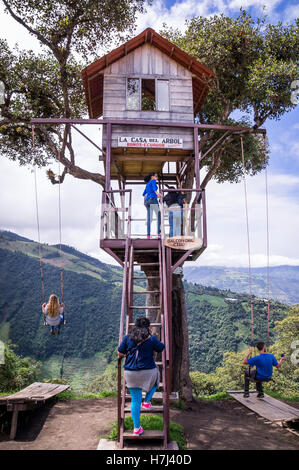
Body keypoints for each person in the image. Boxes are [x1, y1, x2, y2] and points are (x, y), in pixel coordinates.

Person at [118, 316, 165, 436]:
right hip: (148, 371)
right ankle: (147, 401)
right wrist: (152, 336)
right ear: (148, 327)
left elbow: (120, 352)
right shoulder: (151, 338)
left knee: (135, 400)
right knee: (156, 380)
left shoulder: (128, 337)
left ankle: (136, 428)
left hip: (130, 373)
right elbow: (161, 348)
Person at [142, 173, 162, 239]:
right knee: (159, 215)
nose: (157, 177)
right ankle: (158, 233)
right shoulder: (153, 181)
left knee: (149, 218)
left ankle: (148, 235)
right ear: (152, 177)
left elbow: (143, 194)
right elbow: (154, 188)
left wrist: (146, 199)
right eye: (156, 176)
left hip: (147, 201)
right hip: (153, 199)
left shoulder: (147, 184)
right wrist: (158, 194)